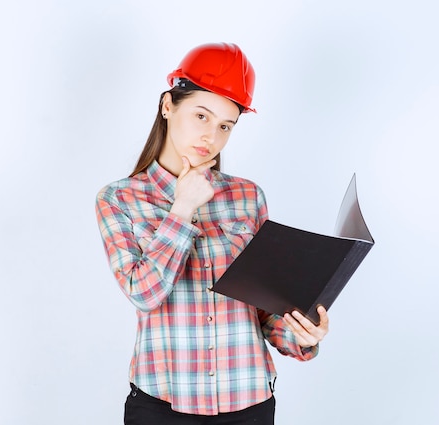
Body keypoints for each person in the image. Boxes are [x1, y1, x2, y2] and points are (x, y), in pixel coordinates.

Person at [95, 42, 330, 424]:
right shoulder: (119, 199)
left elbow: (264, 311)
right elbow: (144, 294)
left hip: (248, 403)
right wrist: (182, 209)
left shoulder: (247, 196)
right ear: (168, 106)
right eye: (201, 116)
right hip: (162, 406)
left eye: (225, 126)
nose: (211, 136)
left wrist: (301, 337)